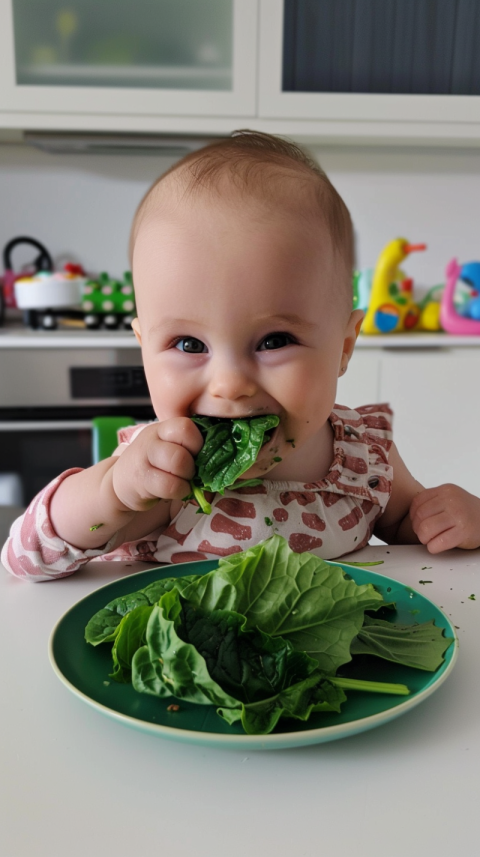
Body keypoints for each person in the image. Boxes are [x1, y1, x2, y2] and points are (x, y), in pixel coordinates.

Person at [3, 131, 480, 581]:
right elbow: (24, 559)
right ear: (144, 348)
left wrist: (451, 518)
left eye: (274, 341)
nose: (229, 383)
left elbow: (409, 531)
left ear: (344, 347)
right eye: (189, 345)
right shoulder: (161, 475)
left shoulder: (366, 460)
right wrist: (109, 493)